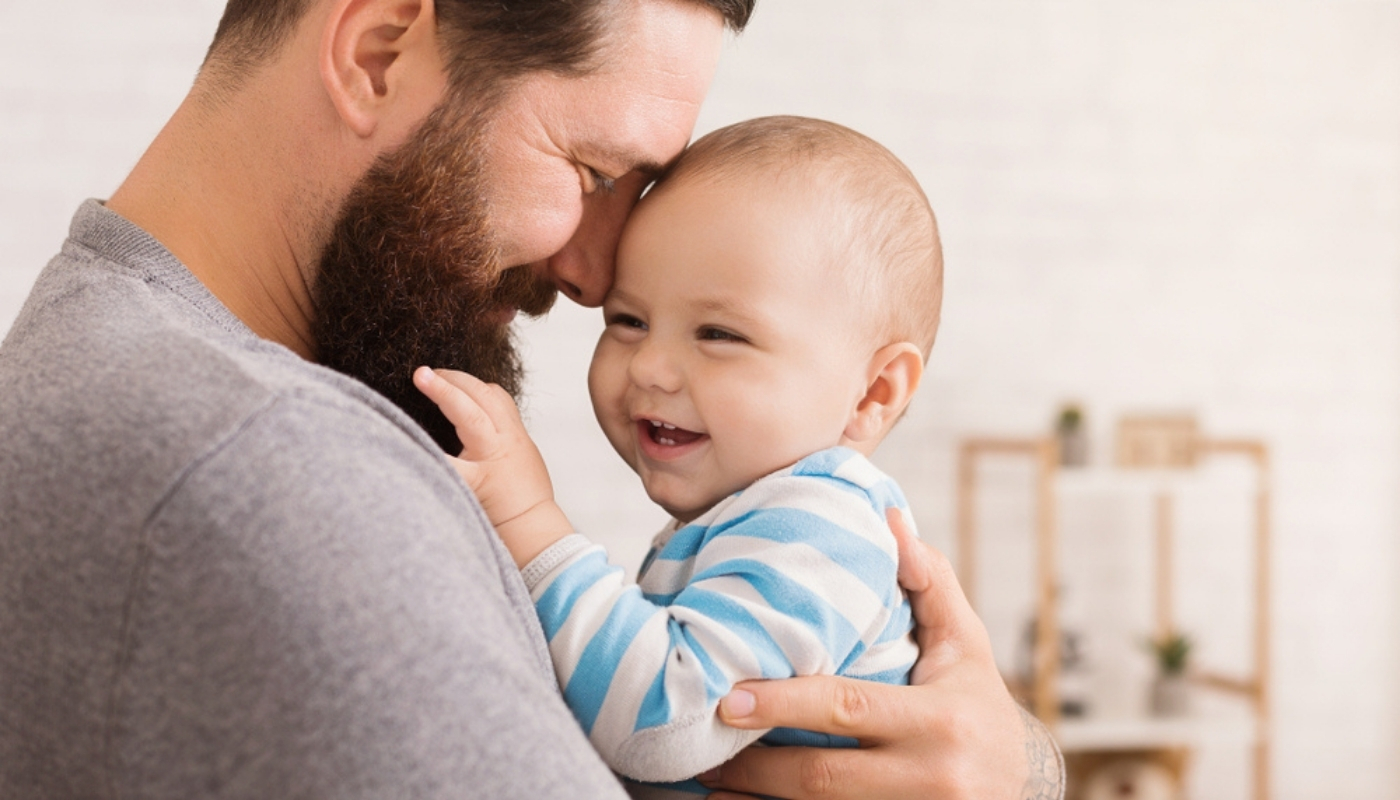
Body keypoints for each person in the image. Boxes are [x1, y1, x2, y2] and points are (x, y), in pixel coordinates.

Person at [0, 1, 1063, 798]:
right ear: (375, 52)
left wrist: (1005, 759)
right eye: (593, 169)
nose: (596, 273)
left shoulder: (92, 356)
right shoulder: (267, 461)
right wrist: (1018, 769)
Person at [414, 115, 941, 797]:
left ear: (872, 392)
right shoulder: (752, 516)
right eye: (628, 322)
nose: (652, 368)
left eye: (719, 333)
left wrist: (528, 520)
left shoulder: (823, 525)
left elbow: (664, 720)